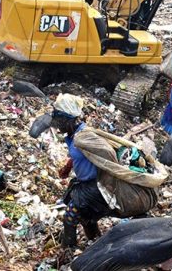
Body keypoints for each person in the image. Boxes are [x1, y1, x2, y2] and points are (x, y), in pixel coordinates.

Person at [47, 95, 158, 248]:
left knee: (70, 217)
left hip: (96, 186)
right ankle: (95, 242)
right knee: (87, 218)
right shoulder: (75, 136)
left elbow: (107, 153)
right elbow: (82, 154)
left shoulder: (84, 137)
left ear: (69, 120)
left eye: (60, 123)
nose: (58, 127)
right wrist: (68, 167)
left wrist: (113, 176)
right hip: (84, 183)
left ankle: (68, 251)